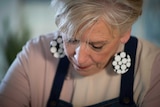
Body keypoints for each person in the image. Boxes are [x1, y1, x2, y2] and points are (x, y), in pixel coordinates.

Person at [0, 0, 160, 107]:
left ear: (125, 32)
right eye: (70, 39)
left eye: (96, 46)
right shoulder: (34, 56)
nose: (79, 59)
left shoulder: (153, 67)